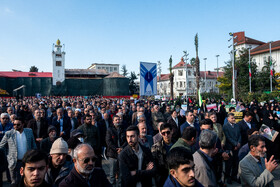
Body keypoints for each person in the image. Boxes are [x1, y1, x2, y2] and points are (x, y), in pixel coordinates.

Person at [0, 117, 37, 187]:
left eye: (18, 125)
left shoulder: (29, 131)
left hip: (27, 161)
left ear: (23, 124)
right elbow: (1, 146)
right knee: (14, 182)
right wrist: (8, 155)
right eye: (14, 124)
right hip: (14, 162)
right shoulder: (9, 133)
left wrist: (34, 157)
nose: (15, 126)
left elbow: (33, 145)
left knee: (27, 181)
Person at [106, 115, 126, 186]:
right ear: (113, 121)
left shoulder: (123, 129)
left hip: (121, 153)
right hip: (112, 154)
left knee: (121, 173)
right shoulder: (110, 130)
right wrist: (116, 149)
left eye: (119, 119)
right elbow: (108, 142)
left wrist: (121, 148)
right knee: (112, 174)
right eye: (116, 120)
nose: (118, 121)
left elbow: (126, 140)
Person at [223, 113, 241, 184]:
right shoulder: (225, 126)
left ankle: (234, 176)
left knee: (236, 163)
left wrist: (239, 143)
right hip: (229, 147)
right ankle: (228, 177)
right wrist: (235, 144)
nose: (234, 119)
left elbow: (239, 135)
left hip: (237, 147)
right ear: (228, 119)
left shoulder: (237, 126)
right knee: (229, 164)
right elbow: (228, 137)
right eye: (232, 118)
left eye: (234, 118)